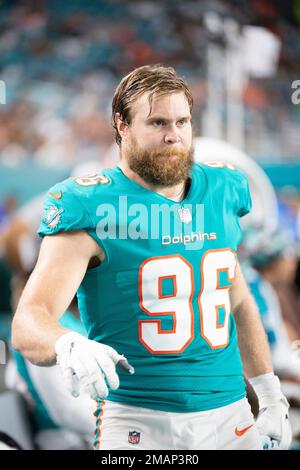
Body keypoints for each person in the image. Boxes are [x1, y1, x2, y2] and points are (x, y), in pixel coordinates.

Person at [12, 65, 291, 450]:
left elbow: (238, 300)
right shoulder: (90, 204)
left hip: (231, 414)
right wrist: (66, 344)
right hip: (138, 419)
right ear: (122, 125)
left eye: (182, 121)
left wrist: (269, 391)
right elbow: (28, 322)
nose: (173, 135)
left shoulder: (223, 188)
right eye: (157, 122)